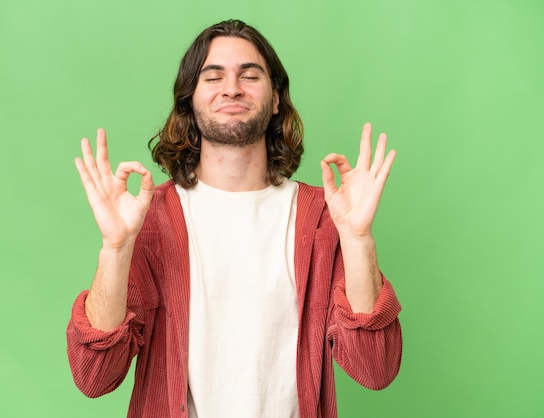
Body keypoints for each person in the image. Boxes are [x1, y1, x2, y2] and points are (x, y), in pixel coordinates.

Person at [67, 19, 402, 418]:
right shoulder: (149, 219)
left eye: (249, 74)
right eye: (213, 76)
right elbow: (94, 377)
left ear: (276, 98)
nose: (232, 88)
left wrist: (359, 239)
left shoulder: (322, 219)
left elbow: (375, 369)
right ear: (190, 99)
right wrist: (116, 248)